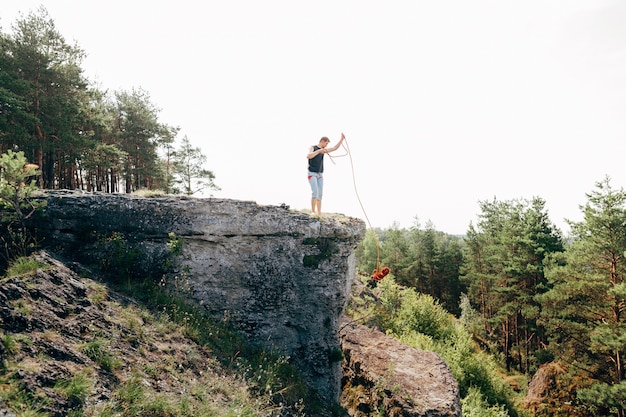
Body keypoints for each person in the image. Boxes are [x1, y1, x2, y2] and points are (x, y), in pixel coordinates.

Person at [307, 133, 345, 216]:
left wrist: (341, 140)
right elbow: (309, 156)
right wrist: (319, 151)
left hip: (320, 174)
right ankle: (313, 211)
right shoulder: (313, 147)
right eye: (326, 143)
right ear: (322, 141)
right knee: (315, 192)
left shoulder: (324, 150)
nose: (327, 145)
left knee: (320, 194)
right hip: (312, 173)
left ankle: (319, 212)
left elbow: (335, 148)